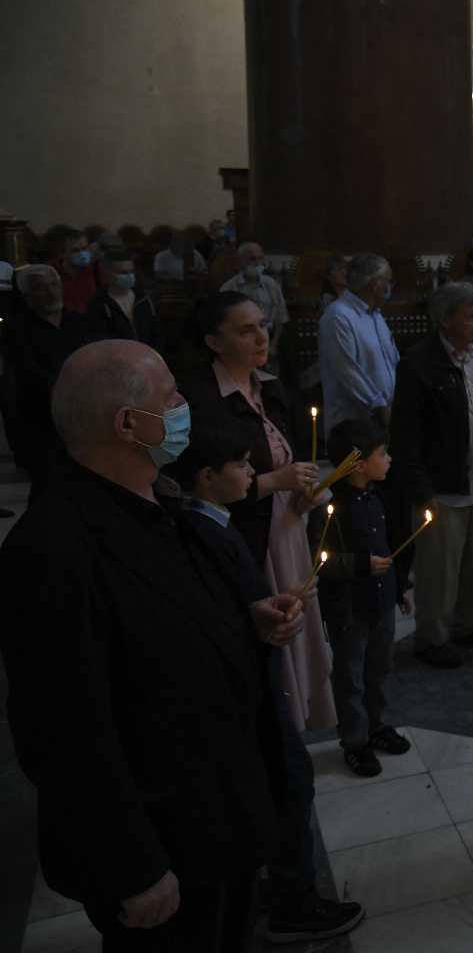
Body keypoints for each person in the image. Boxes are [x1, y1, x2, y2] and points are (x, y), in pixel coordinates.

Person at [0, 340, 301, 952]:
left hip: (223, 816)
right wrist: (131, 866)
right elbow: (63, 734)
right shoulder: (53, 552)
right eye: (172, 397)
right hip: (166, 843)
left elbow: (158, 621)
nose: (186, 403)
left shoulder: (158, 499)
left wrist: (242, 623)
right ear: (129, 424)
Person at [170, 414, 366, 944]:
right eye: (242, 465)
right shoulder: (204, 531)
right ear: (207, 475)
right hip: (249, 687)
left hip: (249, 678)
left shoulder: (208, 521)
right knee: (290, 781)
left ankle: (268, 887)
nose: (253, 472)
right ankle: (293, 906)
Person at [179, 293, 335, 732]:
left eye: (262, 325)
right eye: (246, 330)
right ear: (214, 341)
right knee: (266, 632)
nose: (263, 337)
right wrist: (275, 483)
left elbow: (285, 456)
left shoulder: (269, 386)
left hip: (284, 528)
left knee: (296, 625)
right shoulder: (198, 399)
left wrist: (302, 493)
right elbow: (194, 489)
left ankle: (296, 721)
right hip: (244, 536)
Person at [391, 282, 473, 668]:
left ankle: (468, 625)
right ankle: (432, 637)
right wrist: (420, 489)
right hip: (442, 484)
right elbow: (405, 434)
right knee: (438, 569)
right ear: (445, 320)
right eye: (471, 315)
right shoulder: (419, 363)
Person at [311, 418, 414, 777]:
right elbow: (320, 561)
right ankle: (354, 741)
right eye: (382, 454)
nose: (389, 460)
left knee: (380, 668)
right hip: (350, 608)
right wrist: (360, 565)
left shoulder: (378, 495)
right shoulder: (332, 508)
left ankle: (378, 726)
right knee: (351, 676)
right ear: (358, 465)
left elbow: (390, 546)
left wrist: (400, 588)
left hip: (383, 602)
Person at [4, 265, 99, 500]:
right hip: (41, 417)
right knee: (47, 484)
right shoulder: (15, 329)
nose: (51, 292)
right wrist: (71, 388)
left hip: (83, 415)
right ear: (27, 295)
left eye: (55, 285)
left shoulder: (81, 322)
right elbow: (29, 371)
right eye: (41, 288)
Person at [318, 253, 400, 434]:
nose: (390, 287)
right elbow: (347, 372)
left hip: (384, 419)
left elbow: (392, 359)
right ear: (375, 283)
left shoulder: (376, 315)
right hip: (355, 425)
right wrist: (381, 408)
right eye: (388, 281)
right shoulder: (338, 316)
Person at [219, 242, 290, 361]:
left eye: (259, 259)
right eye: (252, 259)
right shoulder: (230, 288)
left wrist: (272, 345)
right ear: (241, 262)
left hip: (269, 338)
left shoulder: (271, 285)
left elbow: (281, 319)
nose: (257, 263)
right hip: (242, 342)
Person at [87, 250, 164, 351]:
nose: (128, 275)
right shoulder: (98, 305)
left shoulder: (144, 300)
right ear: (107, 272)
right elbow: (101, 341)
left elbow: (157, 334)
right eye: (122, 272)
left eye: (131, 271)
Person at [47, 228, 111, 314]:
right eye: (75, 250)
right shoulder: (50, 269)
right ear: (62, 254)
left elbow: (109, 296)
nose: (82, 253)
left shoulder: (98, 267)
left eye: (84, 248)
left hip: (91, 320)